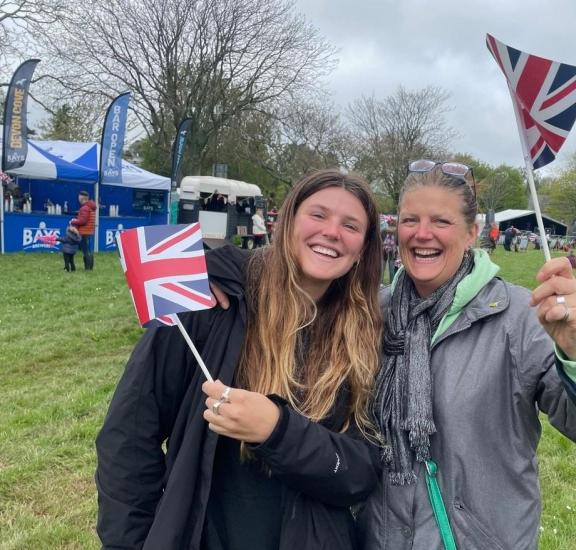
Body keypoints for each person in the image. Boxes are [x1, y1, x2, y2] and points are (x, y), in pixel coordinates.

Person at [357, 160, 576, 549]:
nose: (422, 234)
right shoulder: (372, 314)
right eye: (410, 220)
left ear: (472, 233)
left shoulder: (520, 317)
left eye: (441, 221)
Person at [96, 169, 385, 549]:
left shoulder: (365, 335)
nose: (332, 232)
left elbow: (360, 473)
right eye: (318, 214)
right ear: (286, 222)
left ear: (362, 249)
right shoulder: (209, 303)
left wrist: (278, 432)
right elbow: (129, 437)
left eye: (350, 225)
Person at [69, 190, 96, 271]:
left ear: (82, 198)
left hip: (84, 232)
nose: (78, 199)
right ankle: (90, 268)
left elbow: (83, 221)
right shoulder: (91, 206)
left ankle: (87, 269)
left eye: (79, 197)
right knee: (88, 250)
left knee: (85, 251)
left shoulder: (84, 208)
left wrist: (73, 221)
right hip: (89, 231)